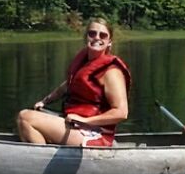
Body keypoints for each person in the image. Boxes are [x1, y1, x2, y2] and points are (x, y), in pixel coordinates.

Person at [16, 18, 130, 146]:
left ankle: (41, 155)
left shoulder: (111, 72)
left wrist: (85, 120)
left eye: (103, 35)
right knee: (30, 116)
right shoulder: (84, 63)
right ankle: (43, 151)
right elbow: (67, 86)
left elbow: (121, 112)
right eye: (92, 33)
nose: (97, 38)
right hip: (76, 124)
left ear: (109, 42)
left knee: (25, 118)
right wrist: (45, 101)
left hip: (95, 133)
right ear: (86, 37)